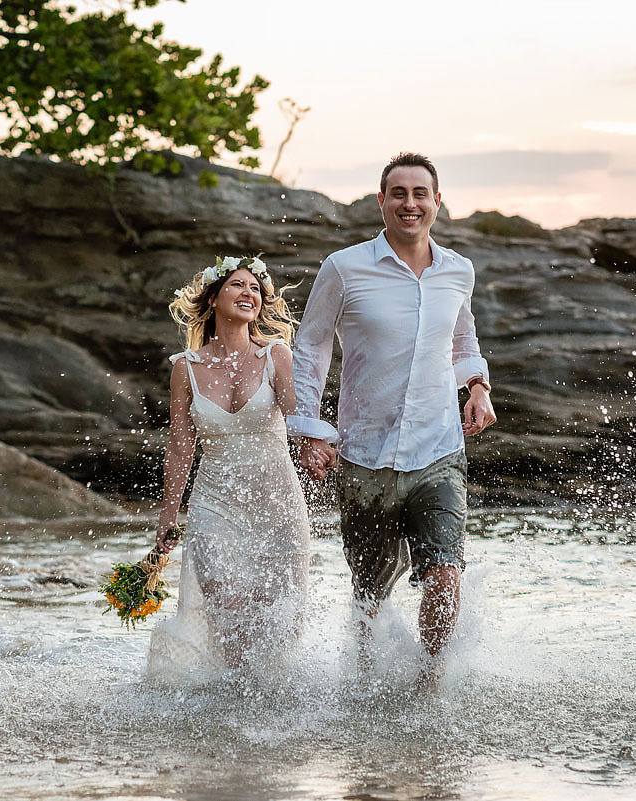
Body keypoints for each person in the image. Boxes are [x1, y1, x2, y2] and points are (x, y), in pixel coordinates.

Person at [288, 152, 497, 674]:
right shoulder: (344, 267)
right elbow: (311, 350)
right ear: (382, 202)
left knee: (445, 575)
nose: (410, 203)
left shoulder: (458, 271)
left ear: (437, 202)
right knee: (370, 593)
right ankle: (363, 680)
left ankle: (430, 688)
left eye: (420, 193)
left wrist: (477, 385)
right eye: (399, 194)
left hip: (440, 448)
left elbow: (462, 337)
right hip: (364, 455)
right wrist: (312, 432)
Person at [147, 256, 311, 677]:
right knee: (228, 608)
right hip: (214, 506)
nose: (249, 293)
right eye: (238, 285)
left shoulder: (276, 356)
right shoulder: (186, 367)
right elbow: (181, 448)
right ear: (214, 298)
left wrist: (317, 448)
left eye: (255, 288)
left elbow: (297, 420)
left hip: (277, 505)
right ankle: (237, 705)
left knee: (278, 623)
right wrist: (168, 516)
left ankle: (272, 703)